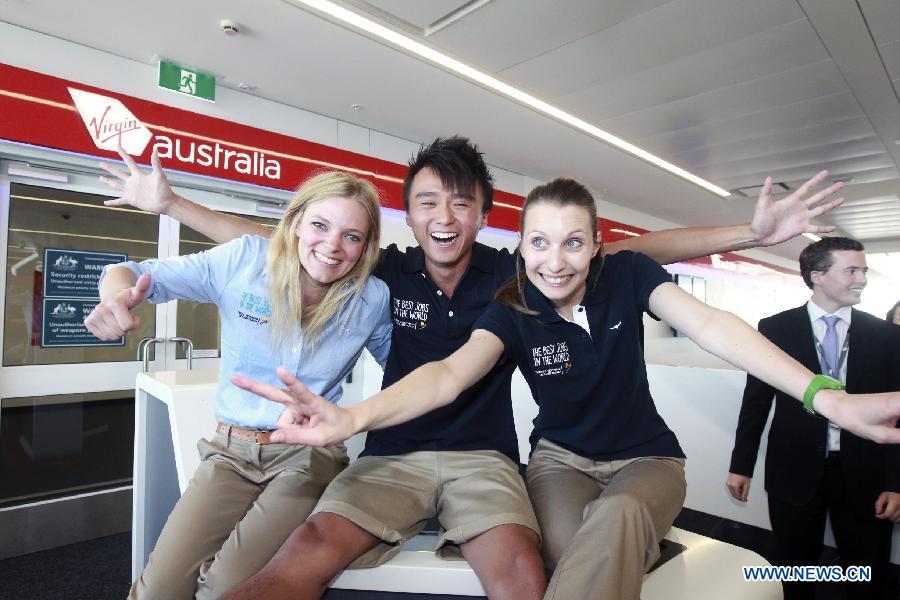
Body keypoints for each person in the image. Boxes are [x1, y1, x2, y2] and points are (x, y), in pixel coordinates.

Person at [101, 137, 848, 600]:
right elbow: (284, 246)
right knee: (305, 555)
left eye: (461, 203)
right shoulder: (382, 273)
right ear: (411, 215)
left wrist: (745, 233)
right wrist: (179, 206)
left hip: (485, 459)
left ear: (485, 213)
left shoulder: (516, 272)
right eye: (428, 202)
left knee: (526, 569)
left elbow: (638, 251)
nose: (445, 217)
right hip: (389, 454)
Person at [85, 163, 393, 599]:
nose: (332, 246)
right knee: (158, 591)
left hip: (307, 457)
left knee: (229, 588)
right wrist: (116, 295)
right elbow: (132, 272)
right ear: (296, 224)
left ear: (365, 247)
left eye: (352, 236)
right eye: (320, 226)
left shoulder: (371, 299)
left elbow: (405, 370)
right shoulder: (245, 260)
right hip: (229, 451)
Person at [726, 237, 900, 600]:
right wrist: (740, 466)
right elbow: (756, 401)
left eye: (863, 271)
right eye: (851, 270)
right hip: (794, 469)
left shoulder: (886, 336)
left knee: (867, 572)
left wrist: (896, 483)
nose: (862, 279)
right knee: (795, 566)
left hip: (865, 472)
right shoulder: (776, 329)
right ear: (817, 275)